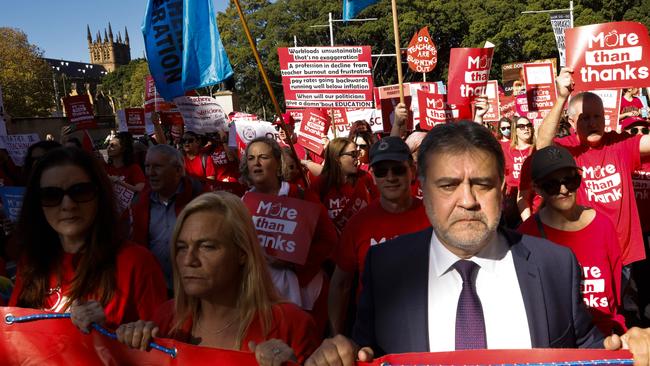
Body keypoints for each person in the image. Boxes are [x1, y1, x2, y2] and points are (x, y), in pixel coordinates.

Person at [305, 121, 650, 365]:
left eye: (482, 184)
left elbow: (585, 352)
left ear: (502, 188)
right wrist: (340, 354)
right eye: (448, 185)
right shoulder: (385, 268)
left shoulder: (555, 265)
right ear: (422, 190)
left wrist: (628, 351)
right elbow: (368, 352)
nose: (467, 200)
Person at [115, 192, 319, 365]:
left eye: (207, 246)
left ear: (242, 253)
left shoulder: (293, 325)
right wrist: (129, 346)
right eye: (181, 247)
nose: (189, 260)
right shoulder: (165, 319)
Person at [8, 147, 167, 330]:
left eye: (80, 192)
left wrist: (107, 332)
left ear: (99, 195)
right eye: (51, 195)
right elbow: (14, 333)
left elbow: (161, 349)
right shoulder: (31, 261)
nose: (68, 205)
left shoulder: (137, 263)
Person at [536, 68, 650, 269]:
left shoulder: (619, 143)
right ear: (572, 123)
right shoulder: (568, 148)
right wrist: (562, 97)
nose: (593, 123)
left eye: (598, 116)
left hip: (624, 256)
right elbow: (543, 145)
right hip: (586, 254)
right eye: (585, 118)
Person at [518, 145, 625, 335]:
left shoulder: (603, 225)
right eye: (551, 185)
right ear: (537, 188)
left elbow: (614, 294)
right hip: (559, 341)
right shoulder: (526, 235)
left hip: (605, 336)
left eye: (571, 180)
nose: (564, 189)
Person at [328, 136, 430, 335]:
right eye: (382, 172)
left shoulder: (434, 216)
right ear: (373, 177)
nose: (390, 177)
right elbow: (340, 284)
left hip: (427, 326)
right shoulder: (358, 223)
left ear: (412, 171)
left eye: (398, 170)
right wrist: (335, 336)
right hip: (373, 332)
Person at [241, 137, 337, 335]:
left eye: (263, 157)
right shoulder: (242, 204)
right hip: (260, 298)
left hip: (306, 295)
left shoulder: (302, 197)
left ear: (278, 164)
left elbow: (329, 240)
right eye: (251, 158)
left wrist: (293, 261)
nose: (256, 163)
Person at [130, 144, 205, 287]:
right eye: (147, 167)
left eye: (157, 167)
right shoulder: (139, 203)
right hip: (153, 288)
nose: (150, 173)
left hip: (194, 287)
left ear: (177, 170)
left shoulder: (200, 198)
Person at [309, 137, 378, 233]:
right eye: (353, 154)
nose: (357, 158)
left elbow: (377, 205)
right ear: (337, 158)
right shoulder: (320, 185)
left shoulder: (364, 177)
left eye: (357, 153)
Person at [503, 116, 535, 227]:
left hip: (534, 197)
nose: (526, 128)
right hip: (512, 198)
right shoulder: (507, 150)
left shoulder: (536, 149)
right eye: (521, 126)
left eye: (528, 125)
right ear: (514, 130)